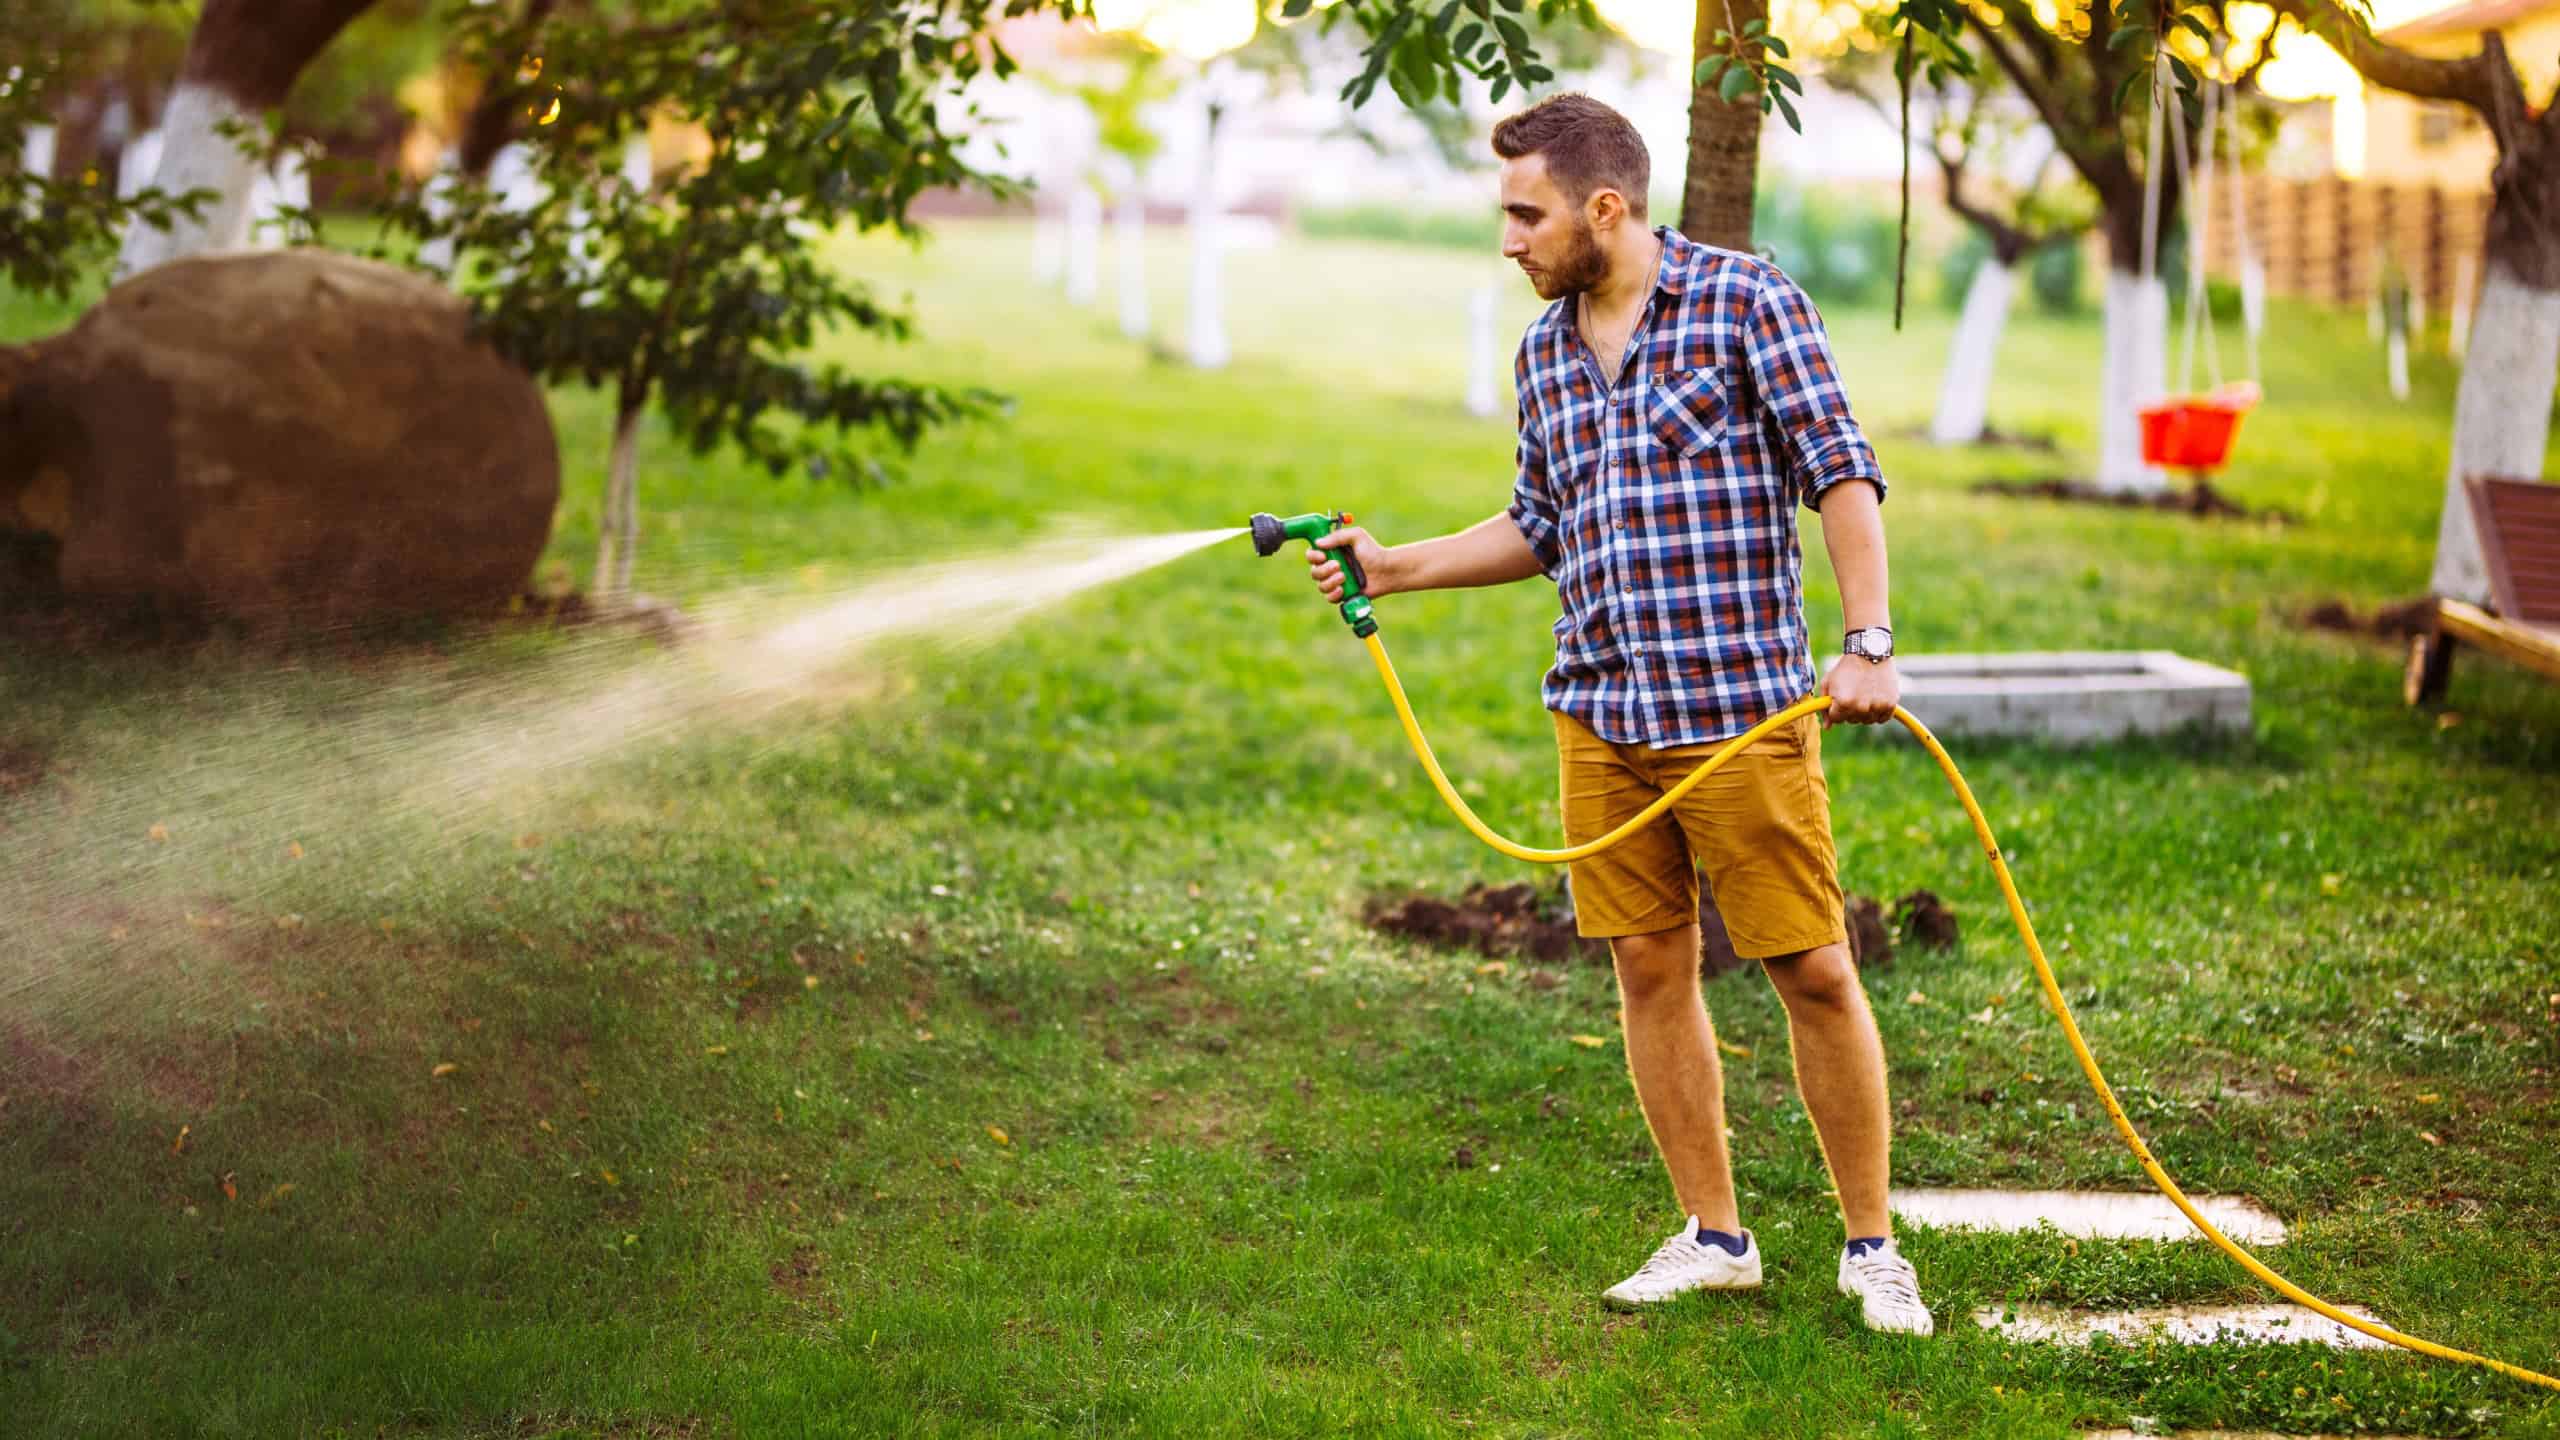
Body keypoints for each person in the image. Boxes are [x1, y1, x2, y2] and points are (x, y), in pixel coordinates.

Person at [1304, 92, 1930, 1335]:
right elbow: (1541, 519)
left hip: (1737, 708)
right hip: (1600, 707)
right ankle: (1716, 1235)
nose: (1509, 240)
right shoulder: (1544, 350)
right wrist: (1397, 567)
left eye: (1525, 214)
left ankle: (1871, 1247)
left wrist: (1865, 644)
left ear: (1604, 208)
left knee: (1807, 966)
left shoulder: (1748, 303)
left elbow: (1840, 470)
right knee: (1648, 967)